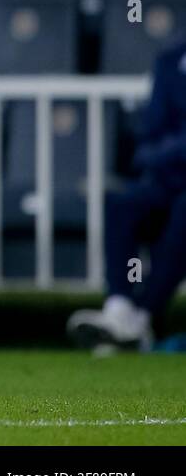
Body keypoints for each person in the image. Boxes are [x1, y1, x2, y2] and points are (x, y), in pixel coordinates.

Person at [67, 41, 186, 350]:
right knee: (122, 204)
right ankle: (119, 308)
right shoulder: (171, 59)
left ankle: (144, 316)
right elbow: (147, 143)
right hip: (169, 178)